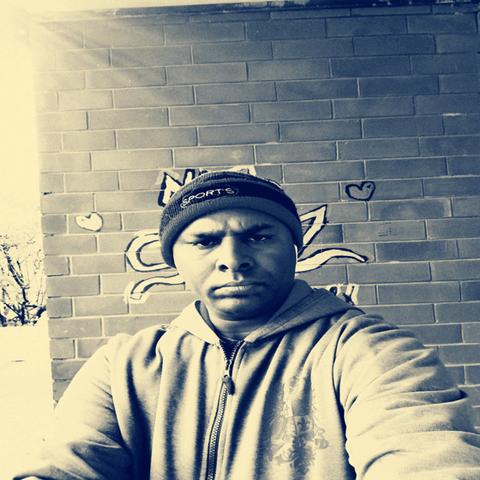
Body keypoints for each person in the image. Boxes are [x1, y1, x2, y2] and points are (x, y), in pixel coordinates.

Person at [13, 171, 480, 479]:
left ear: (293, 247)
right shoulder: (124, 366)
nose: (233, 260)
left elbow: (427, 454)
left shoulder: (369, 351)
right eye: (205, 242)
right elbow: (65, 466)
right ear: (175, 259)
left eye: (258, 236)